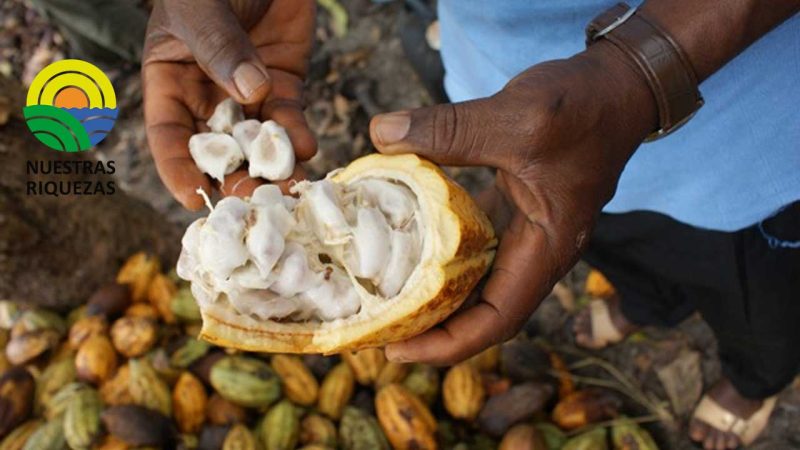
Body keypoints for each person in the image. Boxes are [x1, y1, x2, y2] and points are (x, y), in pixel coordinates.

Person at [141, 1, 800, 448]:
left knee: (759, 296)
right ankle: (647, 302)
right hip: (515, 81)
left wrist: (642, 71)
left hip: (752, 133)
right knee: (606, 237)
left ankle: (752, 380)